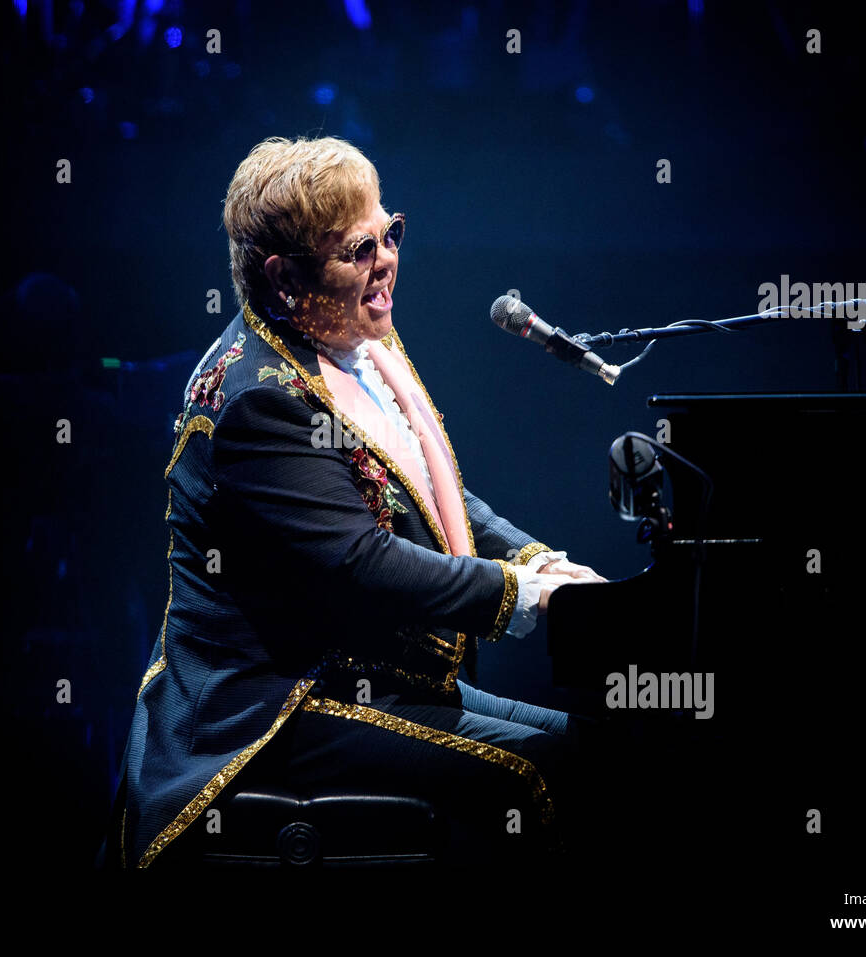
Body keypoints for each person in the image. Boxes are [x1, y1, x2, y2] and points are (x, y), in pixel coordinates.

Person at [101, 135, 606, 870]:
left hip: (358, 669)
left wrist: (542, 559)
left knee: (595, 745)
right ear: (282, 277)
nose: (386, 261)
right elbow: (362, 562)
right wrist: (523, 595)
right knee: (540, 771)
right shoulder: (262, 403)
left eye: (389, 234)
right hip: (275, 706)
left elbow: (431, 490)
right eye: (357, 249)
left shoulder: (349, 341)